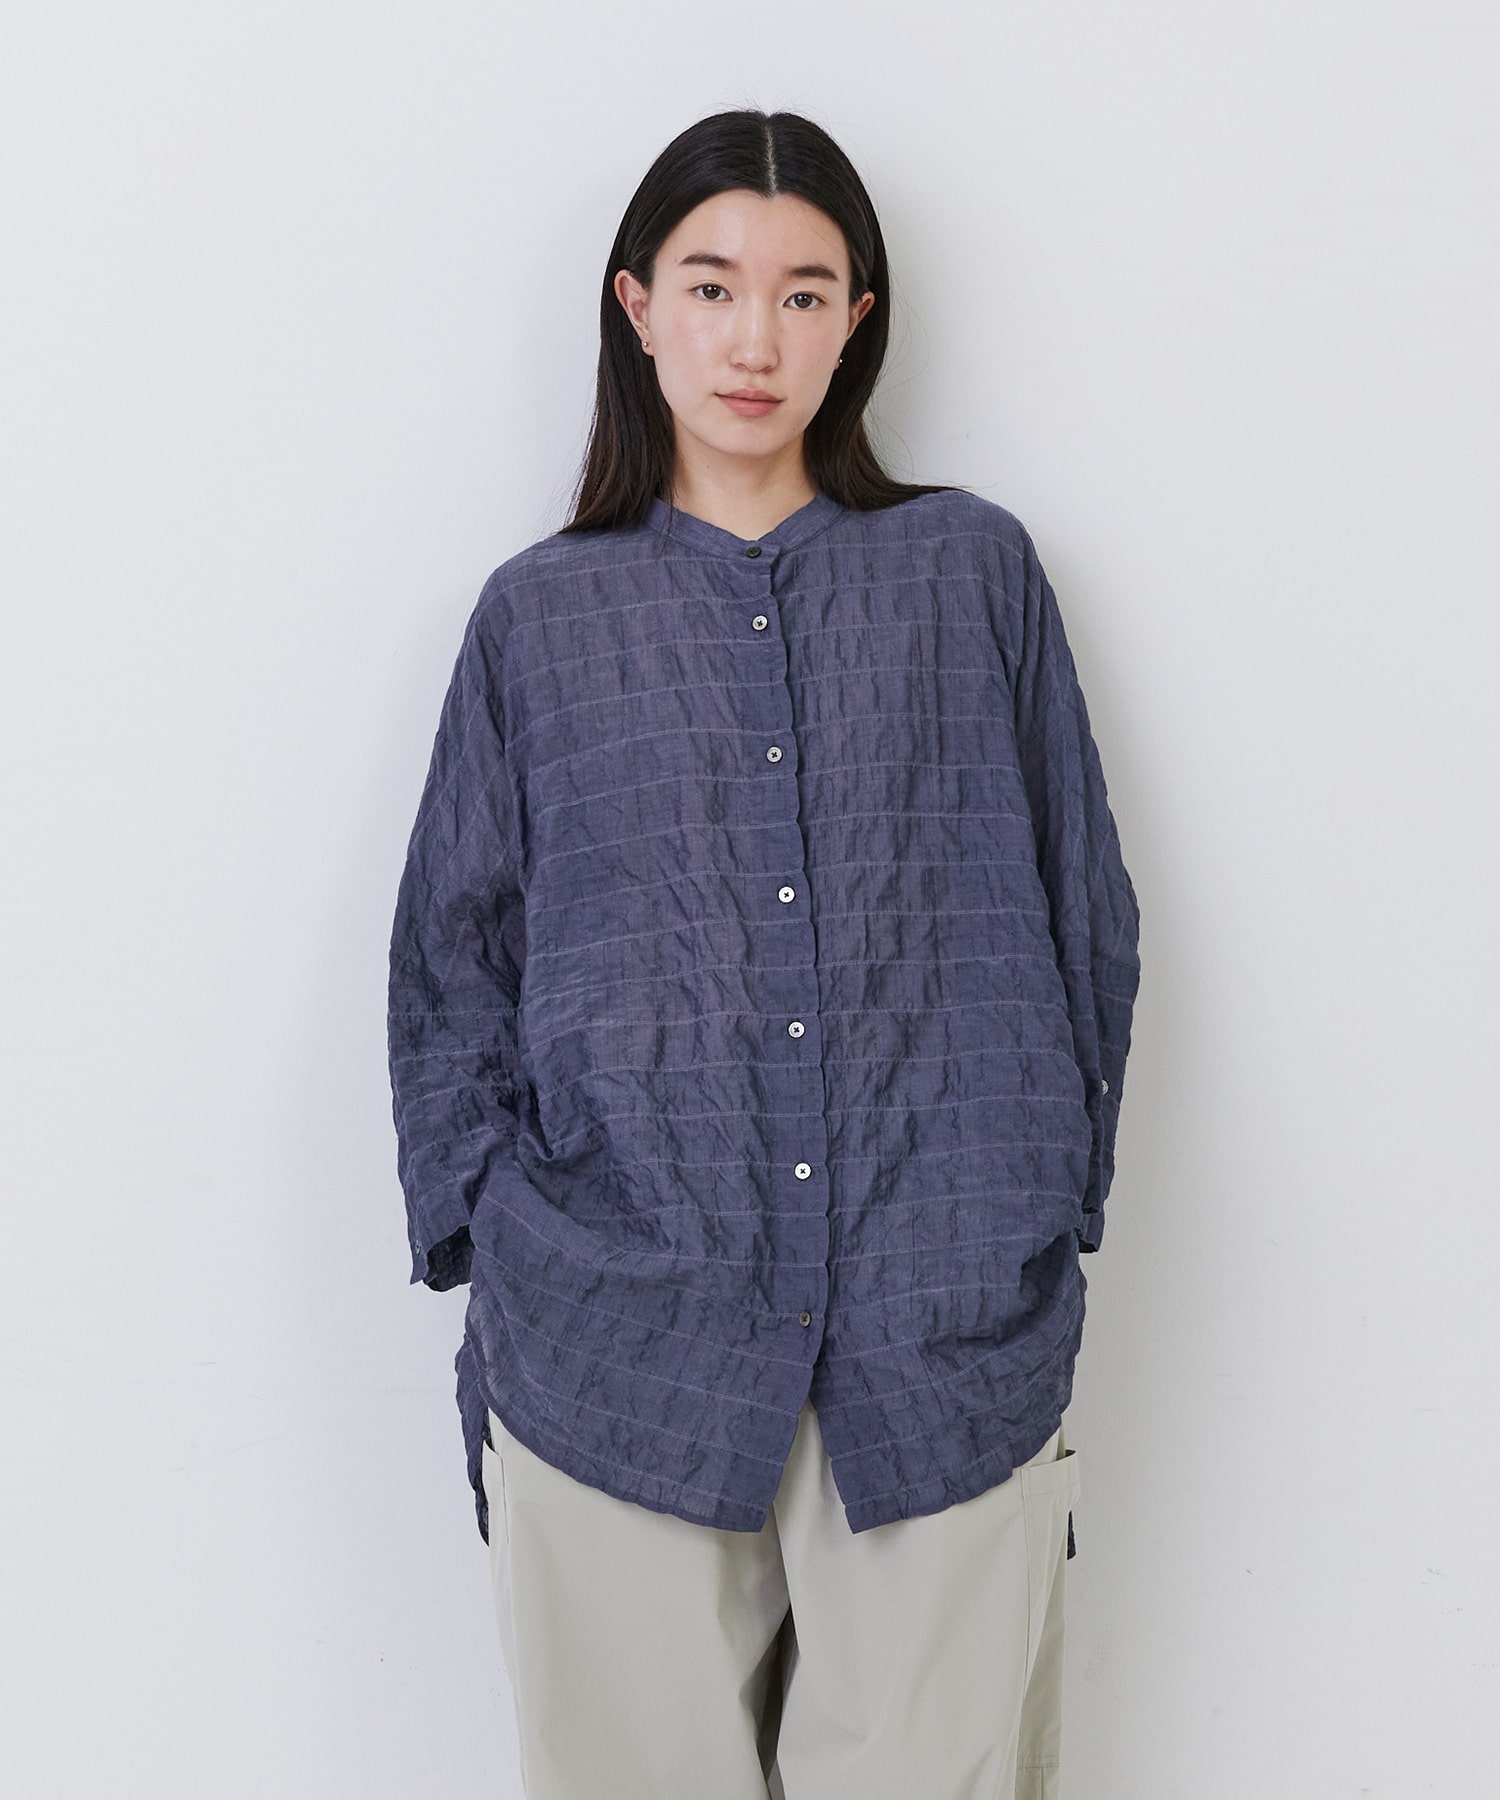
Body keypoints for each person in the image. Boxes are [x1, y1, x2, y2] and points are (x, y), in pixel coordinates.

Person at [387, 106, 1141, 1800]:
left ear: (855, 321)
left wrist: (1039, 1211)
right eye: (713, 286)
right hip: (617, 1349)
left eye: (804, 294)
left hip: (941, 1331)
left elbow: (1083, 911)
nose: (755, 340)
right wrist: (501, 1242)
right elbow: (449, 969)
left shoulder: (972, 574)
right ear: (637, 305)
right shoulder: (539, 619)